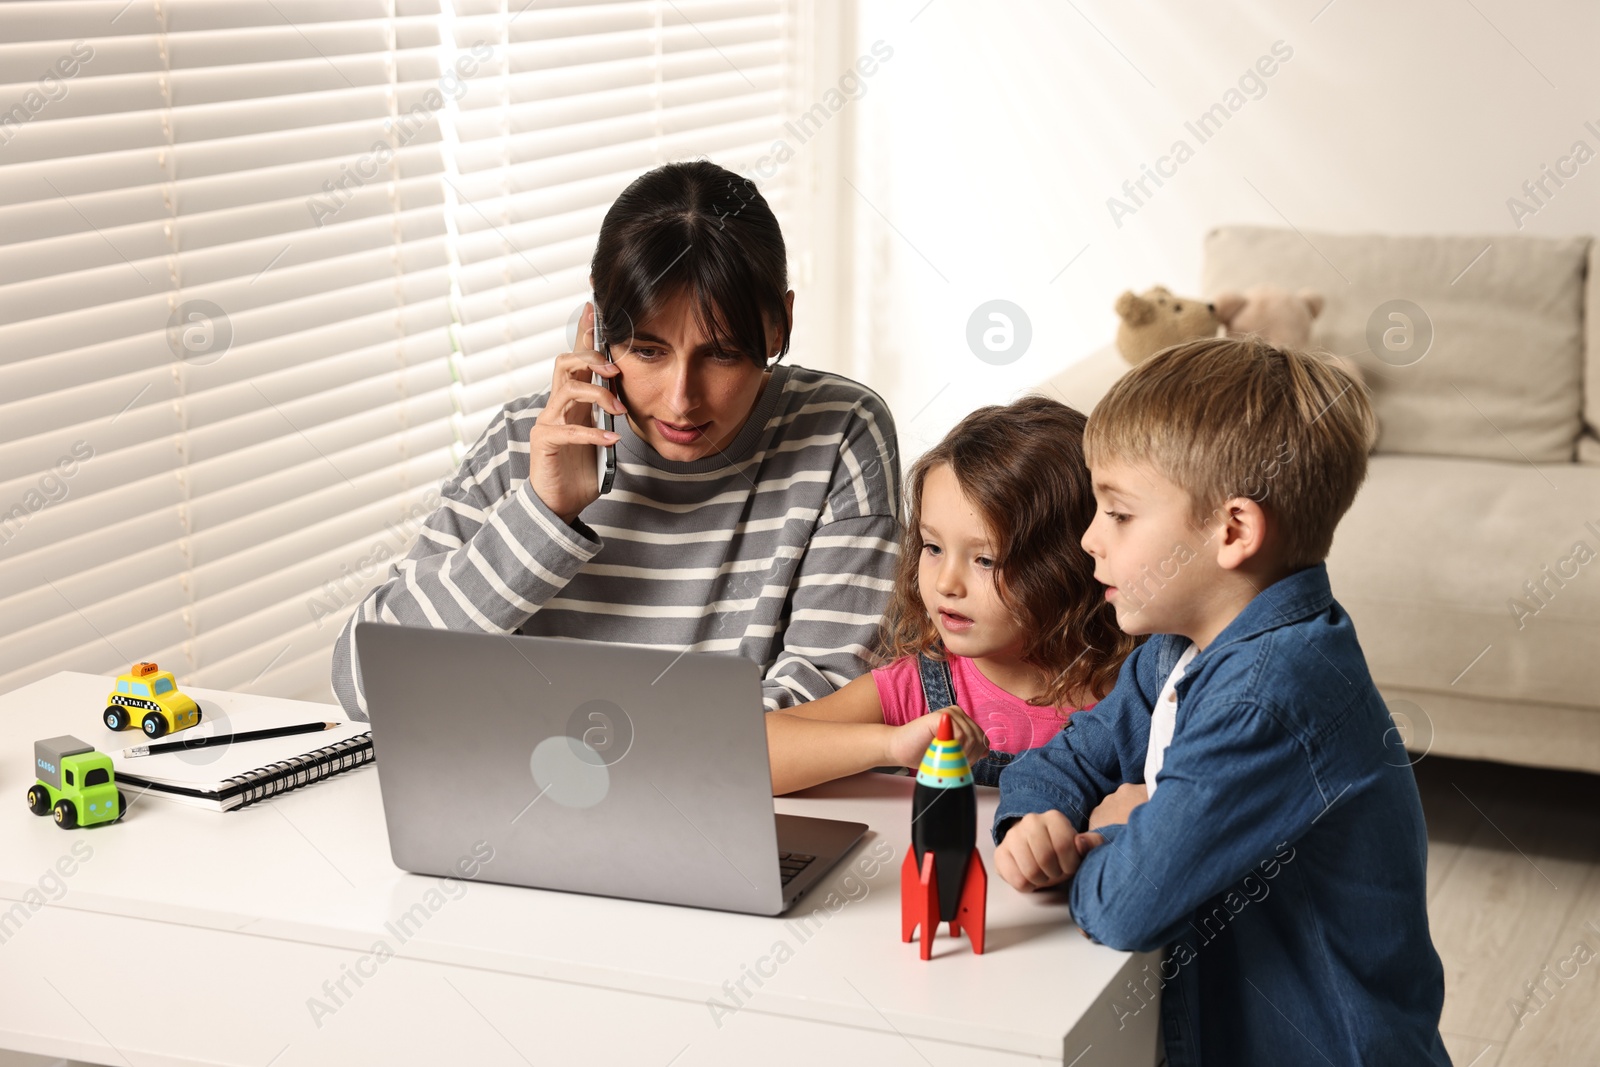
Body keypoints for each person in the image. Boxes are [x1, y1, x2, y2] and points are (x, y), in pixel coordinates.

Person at [992, 337, 1449, 1066]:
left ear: (1233, 531)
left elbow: (1128, 903)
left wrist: (1114, 831)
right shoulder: (1179, 649)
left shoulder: (1271, 695)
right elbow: (1067, 756)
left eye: (1118, 513)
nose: (1087, 540)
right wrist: (1035, 819)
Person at [330, 161, 900, 720]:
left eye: (721, 354)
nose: (681, 398)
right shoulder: (523, 444)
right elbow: (362, 683)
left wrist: (613, 748)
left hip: (741, 796)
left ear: (780, 324)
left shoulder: (841, 432)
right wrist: (542, 513)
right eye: (648, 351)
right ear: (598, 323)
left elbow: (835, 697)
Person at [766, 396, 1139, 795]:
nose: (946, 583)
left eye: (985, 559)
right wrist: (890, 743)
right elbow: (755, 752)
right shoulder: (917, 688)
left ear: (1072, 561)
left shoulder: (1141, 683)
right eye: (933, 548)